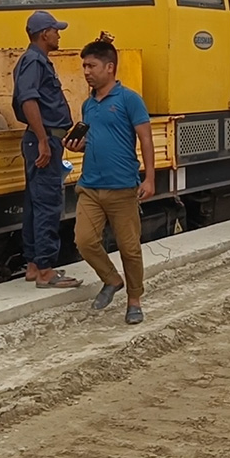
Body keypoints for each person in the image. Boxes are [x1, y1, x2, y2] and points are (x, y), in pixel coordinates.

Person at [63, 40, 155, 324]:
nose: (86, 72)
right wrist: (79, 145)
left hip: (122, 188)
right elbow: (92, 138)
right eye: (84, 66)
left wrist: (150, 178)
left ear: (110, 67)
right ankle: (112, 279)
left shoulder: (129, 99)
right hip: (90, 186)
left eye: (91, 66)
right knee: (84, 240)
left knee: (129, 248)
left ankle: (134, 301)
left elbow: (145, 138)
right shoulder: (88, 105)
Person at [13, 10, 82, 289]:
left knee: (35, 203)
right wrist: (43, 140)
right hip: (43, 141)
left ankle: (33, 265)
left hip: (44, 139)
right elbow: (28, 100)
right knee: (48, 204)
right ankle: (45, 271)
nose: (59, 34)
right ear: (44, 34)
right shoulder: (34, 61)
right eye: (55, 30)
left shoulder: (37, 61)